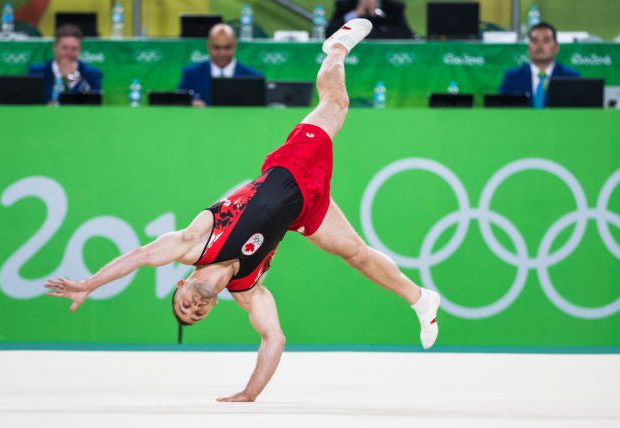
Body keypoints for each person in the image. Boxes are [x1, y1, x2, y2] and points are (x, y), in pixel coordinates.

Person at [45, 19, 441, 403]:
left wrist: (89, 284)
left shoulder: (193, 244)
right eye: (198, 315)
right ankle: (420, 299)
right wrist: (250, 393)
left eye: (186, 305)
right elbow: (274, 339)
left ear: (182, 284)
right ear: (213, 306)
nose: (195, 307)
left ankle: (337, 45)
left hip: (291, 169)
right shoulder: (247, 289)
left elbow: (141, 256)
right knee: (355, 253)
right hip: (304, 211)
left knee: (335, 103)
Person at [178, 23, 262, 106]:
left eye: (227, 47)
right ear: (208, 46)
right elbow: (179, 107)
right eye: (217, 47)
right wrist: (190, 105)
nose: (222, 53)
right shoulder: (190, 75)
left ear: (235, 46)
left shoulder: (254, 77)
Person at [499, 22, 580, 108]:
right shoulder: (512, 77)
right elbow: (502, 111)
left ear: (556, 47)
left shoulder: (571, 77)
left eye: (546, 41)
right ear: (528, 47)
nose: (539, 46)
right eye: (534, 41)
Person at [27, 24, 102, 104]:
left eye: (74, 49)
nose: (68, 53)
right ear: (54, 48)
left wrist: (71, 77)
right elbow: (28, 102)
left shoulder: (92, 74)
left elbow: (91, 102)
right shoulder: (36, 72)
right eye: (64, 48)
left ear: (80, 50)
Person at [326, 0, 414, 39]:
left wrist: (376, 15)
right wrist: (355, 13)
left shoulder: (394, 7)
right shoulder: (344, 5)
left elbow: (406, 34)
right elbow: (330, 32)